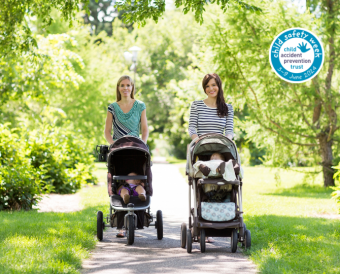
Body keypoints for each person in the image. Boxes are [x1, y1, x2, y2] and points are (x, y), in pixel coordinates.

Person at [188, 73, 234, 243]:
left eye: (214, 85)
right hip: (201, 146)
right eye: (207, 86)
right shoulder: (197, 105)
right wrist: (197, 140)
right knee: (211, 157)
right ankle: (218, 166)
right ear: (204, 88)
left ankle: (215, 166)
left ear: (219, 86)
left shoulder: (227, 108)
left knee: (217, 155)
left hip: (220, 146)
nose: (211, 89)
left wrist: (227, 140)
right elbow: (192, 128)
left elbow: (229, 130)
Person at [104, 75, 149, 238]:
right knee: (119, 181)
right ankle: (121, 226)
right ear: (118, 88)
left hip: (136, 148)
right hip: (119, 150)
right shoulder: (112, 107)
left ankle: (141, 202)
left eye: (128, 85)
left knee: (139, 177)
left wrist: (142, 144)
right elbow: (107, 132)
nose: (125, 88)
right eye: (122, 85)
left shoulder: (140, 106)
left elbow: (144, 129)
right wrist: (113, 145)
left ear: (132, 87)